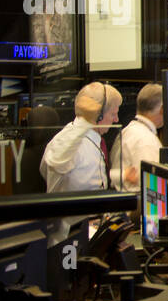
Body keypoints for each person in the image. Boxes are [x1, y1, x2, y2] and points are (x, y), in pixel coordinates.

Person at [41, 82, 121, 240]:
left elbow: (87, 177)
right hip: (68, 243)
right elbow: (55, 161)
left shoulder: (91, 139)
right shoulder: (67, 139)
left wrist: (122, 176)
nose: (116, 119)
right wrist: (86, 119)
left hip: (88, 232)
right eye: (113, 114)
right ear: (98, 114)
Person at [110, 82, 163, 192]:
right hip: (136, 206)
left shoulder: (128, 130)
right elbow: (153, 188)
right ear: (162, 109)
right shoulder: (146, 140)